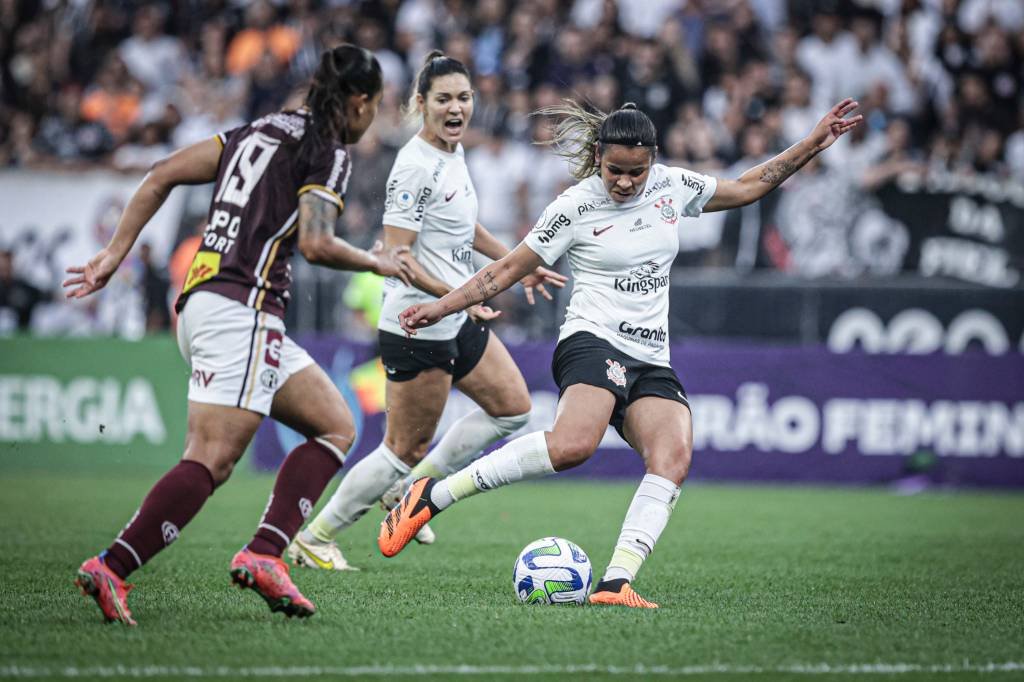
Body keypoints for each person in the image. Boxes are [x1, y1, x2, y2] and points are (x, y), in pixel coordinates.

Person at [381, 98, 863, 607]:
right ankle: (433, 495)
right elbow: (504, 271)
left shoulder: (672, 186)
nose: (626, 182)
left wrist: (812, 143)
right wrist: (443, 306)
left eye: (637, 171)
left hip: (651, 355)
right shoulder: (574, 206)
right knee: (573, 446)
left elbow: (747, 186)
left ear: (652, 160)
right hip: (591, 338)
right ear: (597, 157)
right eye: (615, 170)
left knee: (673, 457)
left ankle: (615, 583)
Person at [64, 45, 410, 625]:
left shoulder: (257, 130)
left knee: (334, 425)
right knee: (213, 458)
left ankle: (265, 553)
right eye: (376, 105)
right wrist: (378, 263)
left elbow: (162, 173)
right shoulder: (326, 150)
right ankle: (113, 566)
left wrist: (111, 256)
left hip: (205, 301)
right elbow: (319, 244)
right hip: (243, 308)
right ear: (358, 101)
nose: (373, 117)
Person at [287, 51, 566, 571]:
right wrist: (459, 297)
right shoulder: (414, 166)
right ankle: (316, 537)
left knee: (513, 409)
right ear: (421, 104)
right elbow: (398, 258)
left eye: (463, 97)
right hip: (419, 320)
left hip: (452, 313)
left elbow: (464, 229)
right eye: (443, 99)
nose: (456, 107)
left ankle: (408, 493)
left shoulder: (453, 155)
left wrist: (515, 264)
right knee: (402, 446)